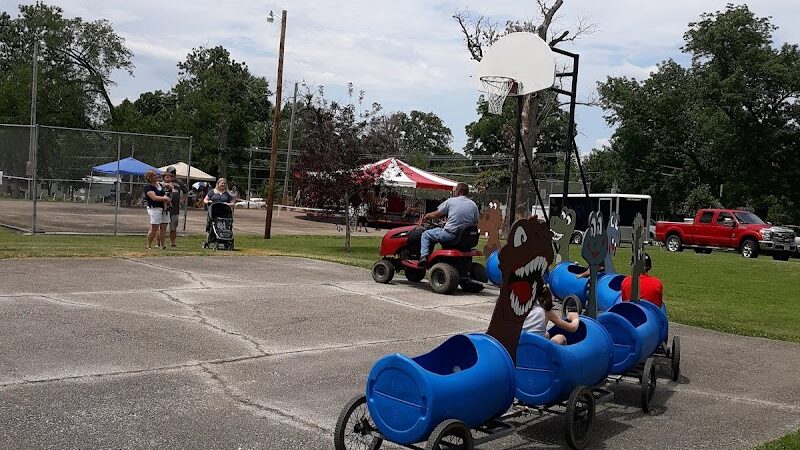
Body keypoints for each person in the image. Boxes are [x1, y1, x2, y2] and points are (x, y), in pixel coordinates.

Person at [417, 182, 479, 266]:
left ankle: (423, 257)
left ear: (458, 191)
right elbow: (475, 221)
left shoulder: (451, 201)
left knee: (426, 234)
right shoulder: (473, 205)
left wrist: (426, 216)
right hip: (465, 237)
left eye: (455, 190)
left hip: (450, 234)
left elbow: (435, 215)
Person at [143, 170, 171, 250]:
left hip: (164, 209)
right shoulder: (148, 187)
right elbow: (154, 198)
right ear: (150, 178)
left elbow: (164, 191)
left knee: (163, 227)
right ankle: (149, 245)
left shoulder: (159, 185)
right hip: (155, 209)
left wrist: (166, 202)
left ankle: (163, 245)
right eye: (155, 175)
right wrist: (165, 198)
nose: (157, 176)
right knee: (154, 227)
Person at [162, 167, 187, 248]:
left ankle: (173, 243)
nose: (172, 174)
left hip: (175, 208)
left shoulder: (179, 182)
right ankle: (159, 243)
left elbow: (186, 192)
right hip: (164, 209)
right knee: (162, 227)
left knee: (173, 227)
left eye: (174, 173)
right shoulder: (162, 182)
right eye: (170, 173)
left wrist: (182, 200)